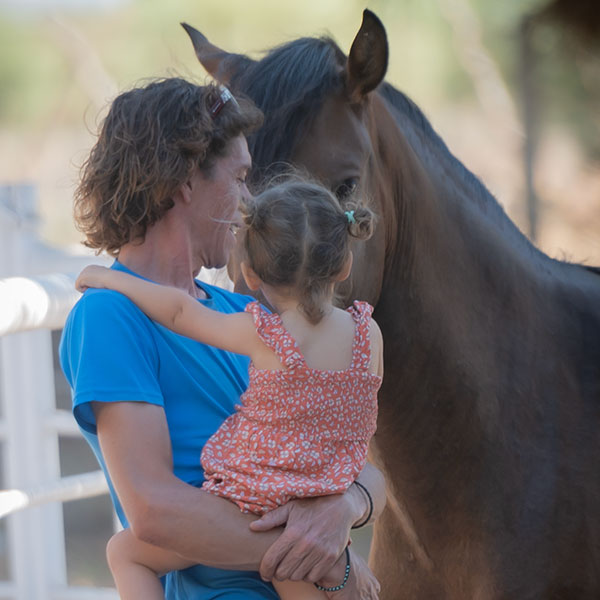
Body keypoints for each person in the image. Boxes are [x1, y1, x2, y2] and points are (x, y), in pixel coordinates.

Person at [59, 76, 386, 599]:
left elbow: (362, 470)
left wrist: (345, 508)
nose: (250, 202)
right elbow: (154, 511)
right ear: (185, 182)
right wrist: (322, 558)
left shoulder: (249, 317)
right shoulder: (109, 317)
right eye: (240, 178)